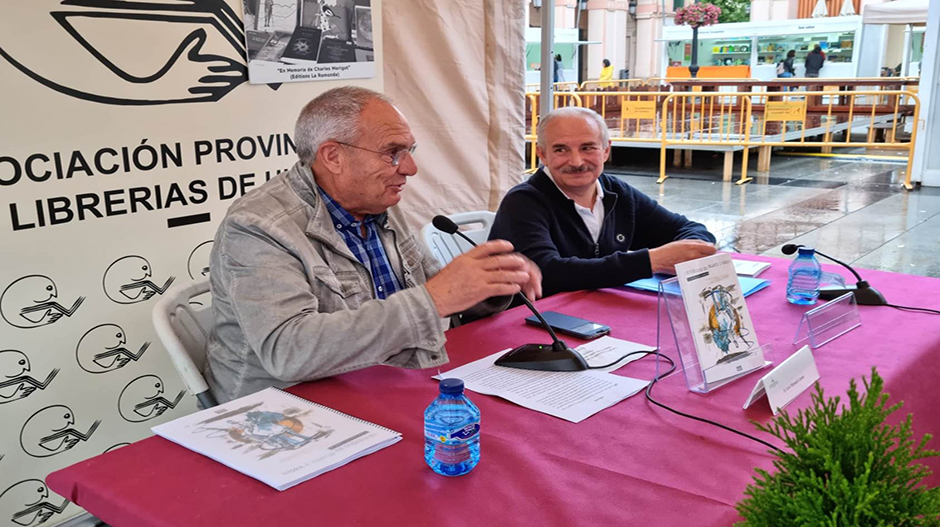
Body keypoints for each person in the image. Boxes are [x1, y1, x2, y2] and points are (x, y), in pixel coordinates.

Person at [205, 86, 542, 403]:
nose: (410, 168)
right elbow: (289, 352)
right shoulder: (256, 227)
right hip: (282, 411)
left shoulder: (376, 202)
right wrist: (435, 299)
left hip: (377, 382)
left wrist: (488, 286)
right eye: (392, 153)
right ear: (333, 156)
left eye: (409, 151)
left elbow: (433, 295)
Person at [489, 107, 717, 298]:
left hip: (595, 314)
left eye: (587, 147)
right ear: (542, 154)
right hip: (532, 324)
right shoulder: (523, 202)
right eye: (561, 149)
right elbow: (549, 274)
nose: (576, 161)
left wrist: (692, 249)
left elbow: (689, 229)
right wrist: (651, 261)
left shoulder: (617, 192)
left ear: (606, 150)